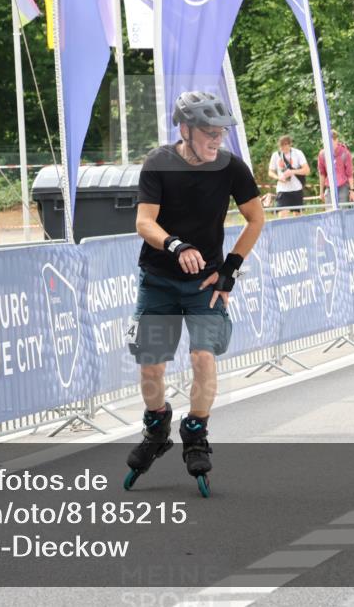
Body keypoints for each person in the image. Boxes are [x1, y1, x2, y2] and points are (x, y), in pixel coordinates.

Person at [124, 91, 264, 494]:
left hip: (204, 284)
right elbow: (144, 222)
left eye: (220, 133)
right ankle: (156, 427)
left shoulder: (231, 167)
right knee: (151, 365)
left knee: (203, 356)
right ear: (184, 129)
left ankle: (196, 431)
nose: (216, 140)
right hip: (158, 279)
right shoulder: (158, 163)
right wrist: (176, 245)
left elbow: (256, 219)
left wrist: (229, 270)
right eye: (208, 132)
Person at [267, 135, 310, 218]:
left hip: (296, 188)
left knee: (298, 217)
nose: (283, 148)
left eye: (285, 145)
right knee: (282, 216)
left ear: (290, 144)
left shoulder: (298, 153)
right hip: (282, 190)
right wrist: (278, 178)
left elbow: (307, 170)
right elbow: (270, 172)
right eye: (281, 146)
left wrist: (292, 172)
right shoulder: (276, 155)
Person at [317, 130, 354, 207]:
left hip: (342, 186)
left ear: (336, 140)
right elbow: (322, 174)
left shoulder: (345, 153)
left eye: (331, 142)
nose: (328, 145)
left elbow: (350, 174)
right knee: (329, 213)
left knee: (342, 212)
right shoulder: (322, 154)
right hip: (329, 187)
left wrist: (352, 190)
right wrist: (321, 191)